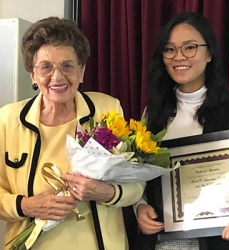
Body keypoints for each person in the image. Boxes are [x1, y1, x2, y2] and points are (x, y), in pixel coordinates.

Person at [0, 17, 145, 250]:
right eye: (46, 67)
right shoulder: (7, 119)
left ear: (82, 71)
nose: (57, 77)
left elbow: (136, 186)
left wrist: (104, 192)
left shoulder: (107, 111)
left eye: (67, 65)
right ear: (33, 75)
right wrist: (27, 205)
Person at [134, 12, 229, 250]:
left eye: (190, 47)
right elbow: (138, 174)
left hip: (216, 240)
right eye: (170, 49)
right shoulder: (152, 112)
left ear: (209, 54)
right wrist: (140, 206)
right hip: (162, 240)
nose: (179, 57)